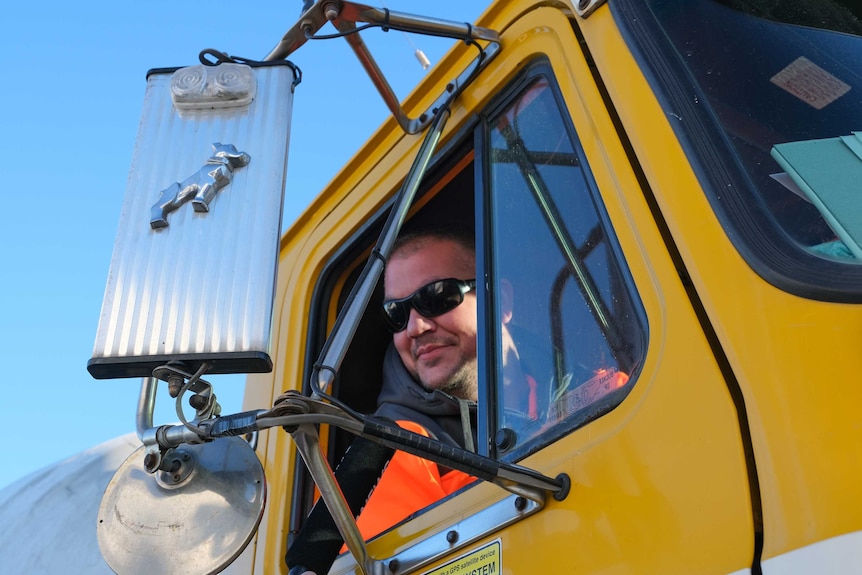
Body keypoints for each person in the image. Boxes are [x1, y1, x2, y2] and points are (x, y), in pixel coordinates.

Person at [286, 227, 536, 575]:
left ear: (502, 302)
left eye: (436, 296)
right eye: (397, 314)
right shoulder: (389, 453)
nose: (416, 327)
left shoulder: (593, 392)